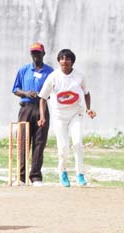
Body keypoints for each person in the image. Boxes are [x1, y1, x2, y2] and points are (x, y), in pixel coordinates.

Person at [37, 49, 96, 187]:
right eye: (62, 58)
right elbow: (42, 98)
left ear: (72, 61)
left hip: (76, 113)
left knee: (77, 143)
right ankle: (62, 172)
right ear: (59, 61)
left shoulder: (80, 76)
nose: (64, 61)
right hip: (59, 115)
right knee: (63, 147)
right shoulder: (53, 77)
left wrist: (88, 109)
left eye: (67, 58)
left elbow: (86, 93)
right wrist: (42, 116)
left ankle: (80, 174)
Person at [11, 42, 54, 186]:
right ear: (31, 54)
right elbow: (15, 89)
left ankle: (35, 176)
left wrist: (43, 95)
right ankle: (21, 177)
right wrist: (26, 93)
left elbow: (54, 90)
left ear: (43, 54)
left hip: (41, 107)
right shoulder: (23, 70)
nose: (36, 55)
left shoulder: (50, 71)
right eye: (33, 53)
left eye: (38, 53)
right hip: (26, 107)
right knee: (23, 141)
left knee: (39, 142)